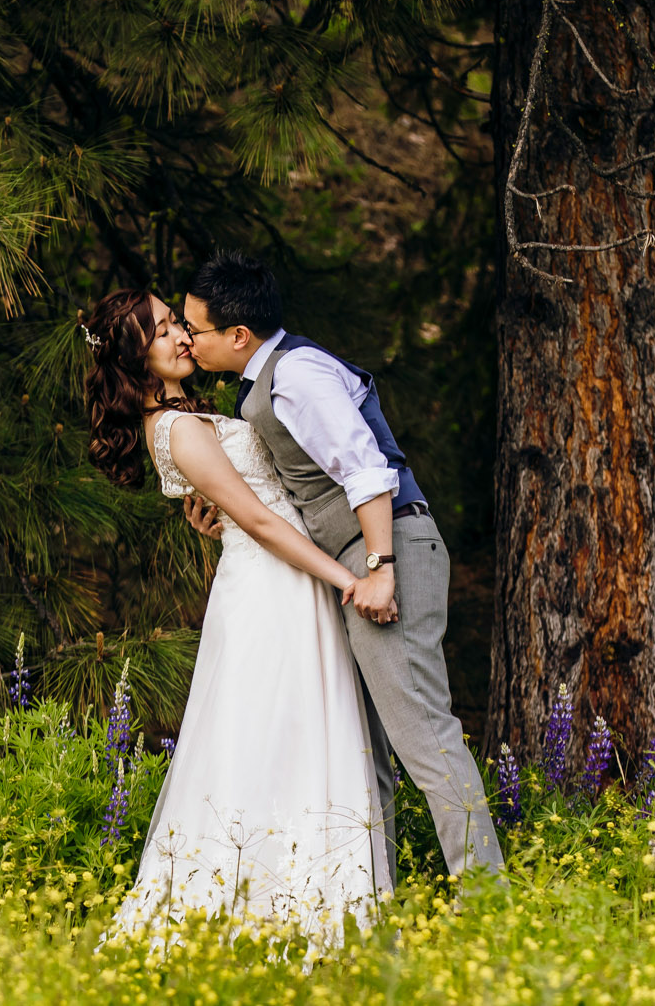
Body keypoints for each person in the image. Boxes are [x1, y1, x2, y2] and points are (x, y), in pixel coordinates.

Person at [82, 288, 391, 952]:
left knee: (295, 731)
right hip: (273, 588)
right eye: (164, 330)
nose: (182, 337)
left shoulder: (184, 416)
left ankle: (305, 897)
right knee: (277, 737)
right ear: (138, 356)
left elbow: (241, 510)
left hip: (275, 574)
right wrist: (348, 577)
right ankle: (267, 905)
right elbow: (254, 518)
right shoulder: (178, 429)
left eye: (176, 323)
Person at [179, 251, 504, 880]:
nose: (189, 343)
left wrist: (380, 565)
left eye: (196, 331)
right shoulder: (263, 381)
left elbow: (365, 470)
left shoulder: (298, 373)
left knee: (422, 733)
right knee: (365, 749)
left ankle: (487, 896)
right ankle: (368, 897)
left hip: (386, 549)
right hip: (349, 562)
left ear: (238, 335)